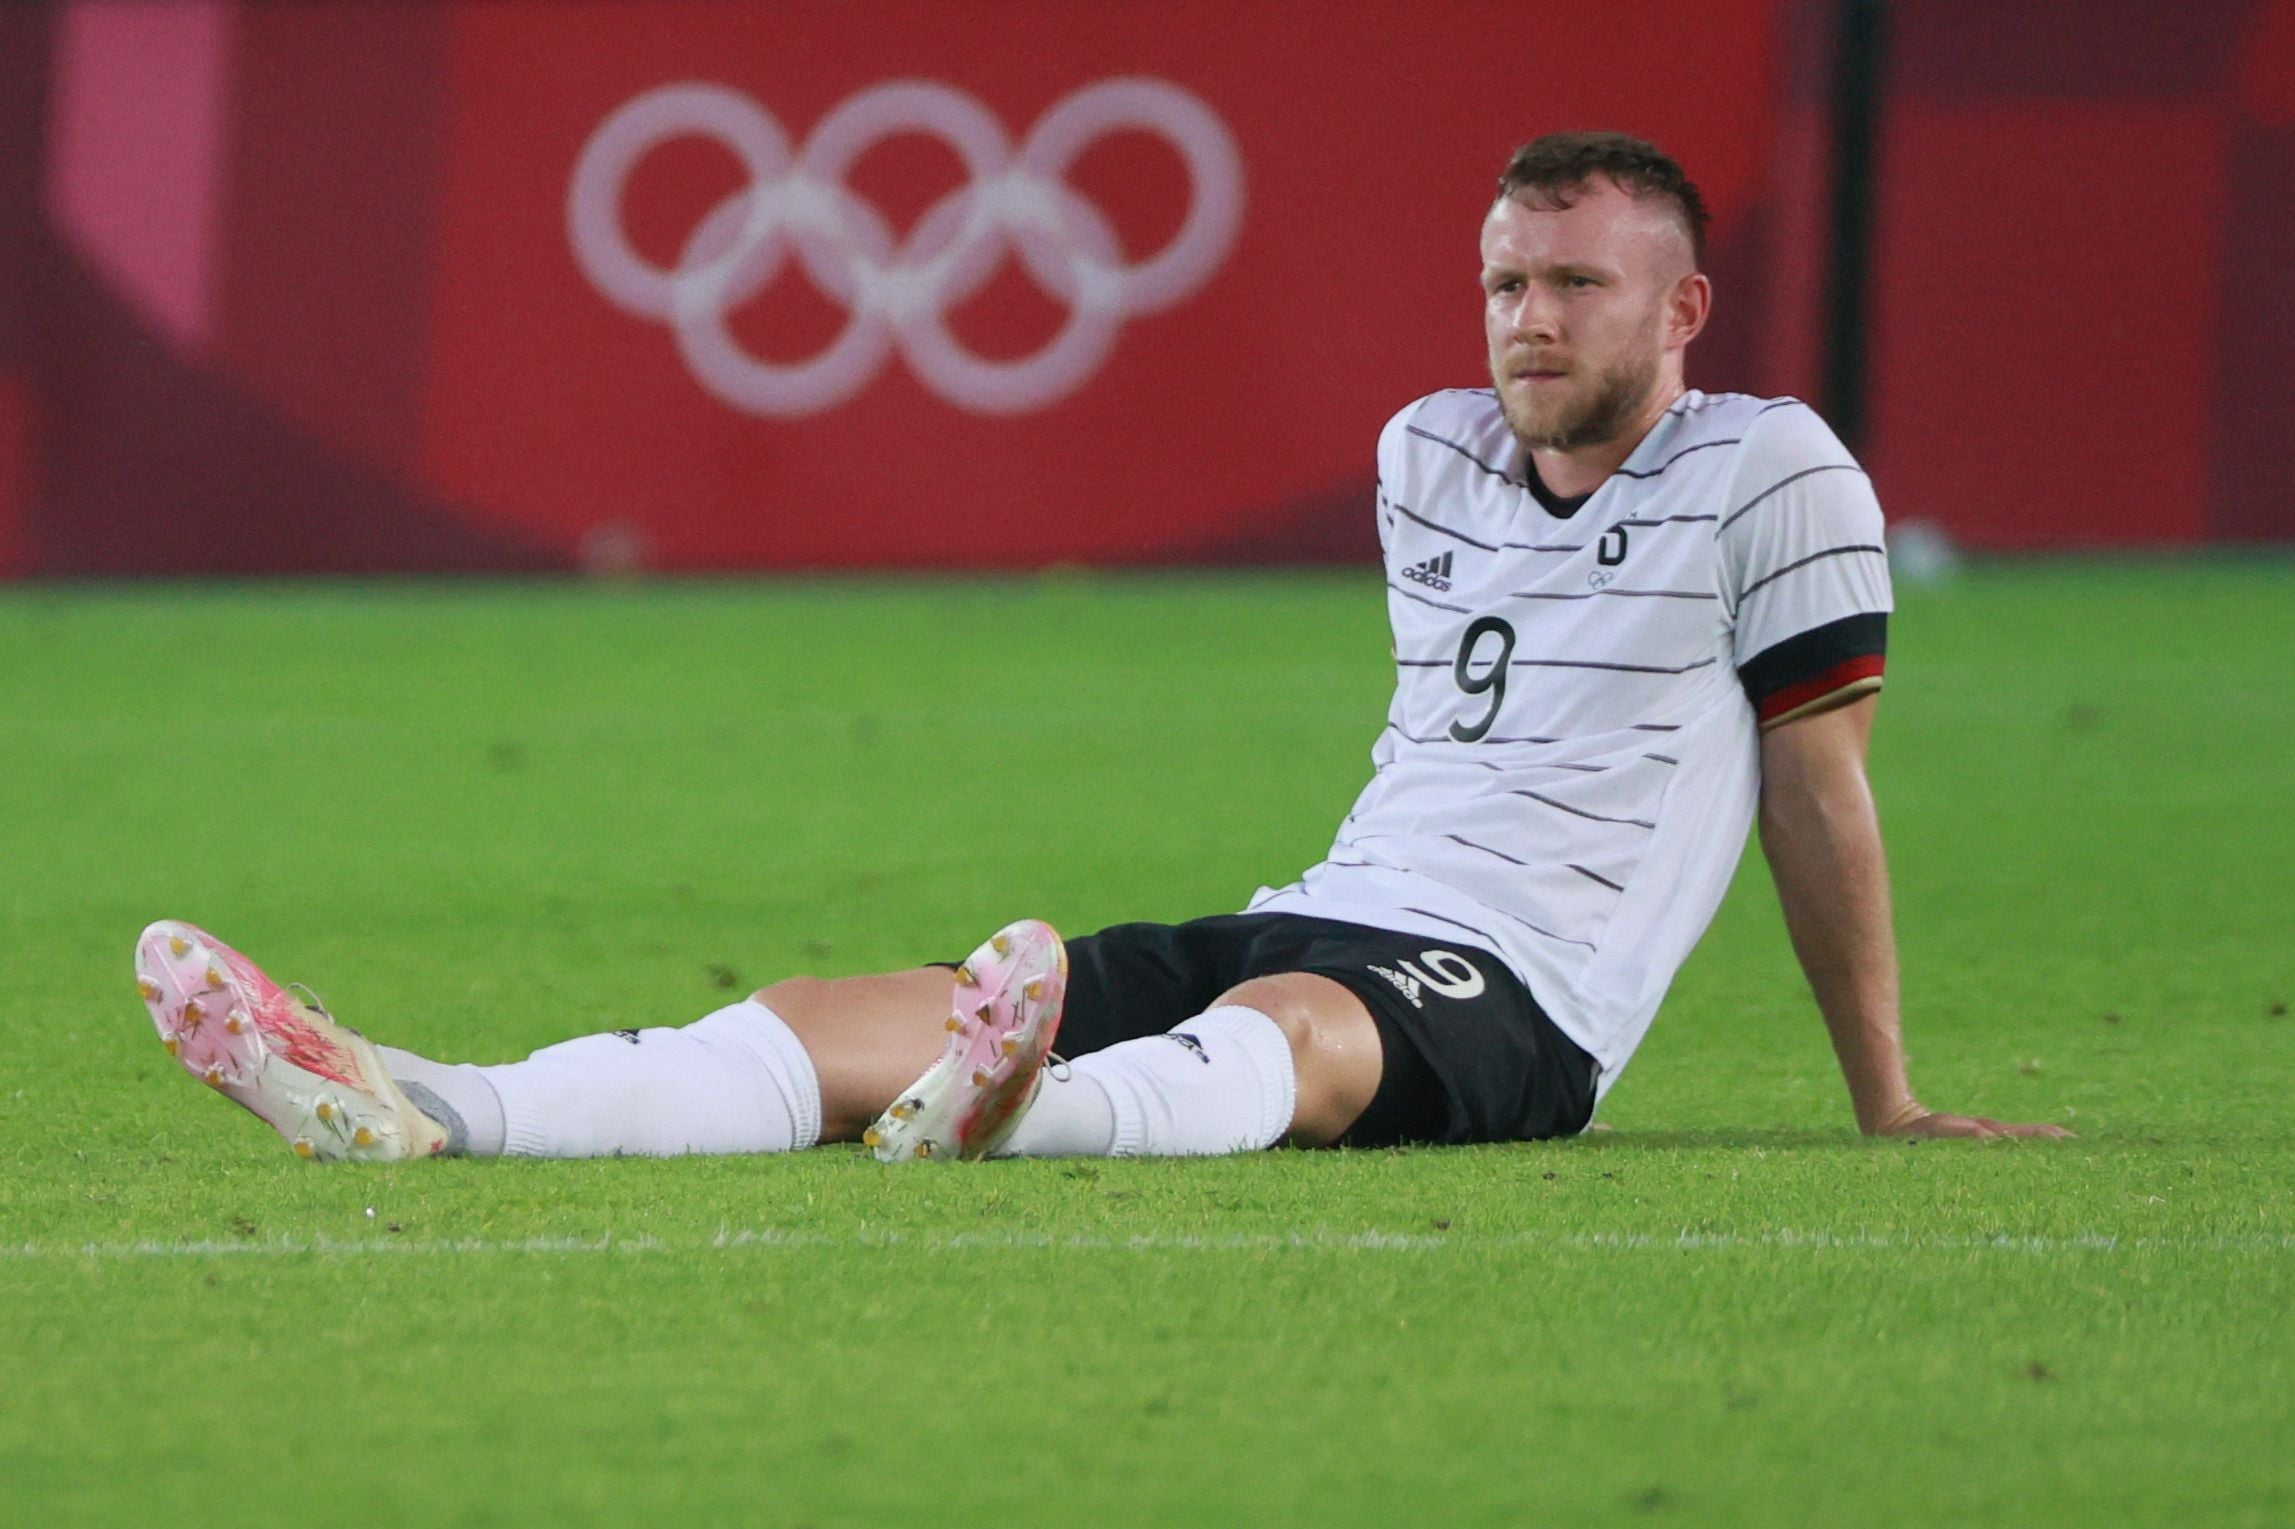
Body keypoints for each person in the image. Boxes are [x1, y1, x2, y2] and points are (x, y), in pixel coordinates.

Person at [132, 131, 2070, 1166]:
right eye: (1502, 280)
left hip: (1525, 990)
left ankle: (1021, 1112)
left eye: (1575, 282)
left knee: (1291, 1040)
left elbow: (1815, 787)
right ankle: (427, 1097)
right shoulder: (1426, 451)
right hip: (1329, 903)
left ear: (1684, 309)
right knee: (840, 1009)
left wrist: (1883, 1095)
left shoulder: (1771, 469)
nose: (1526, 319)